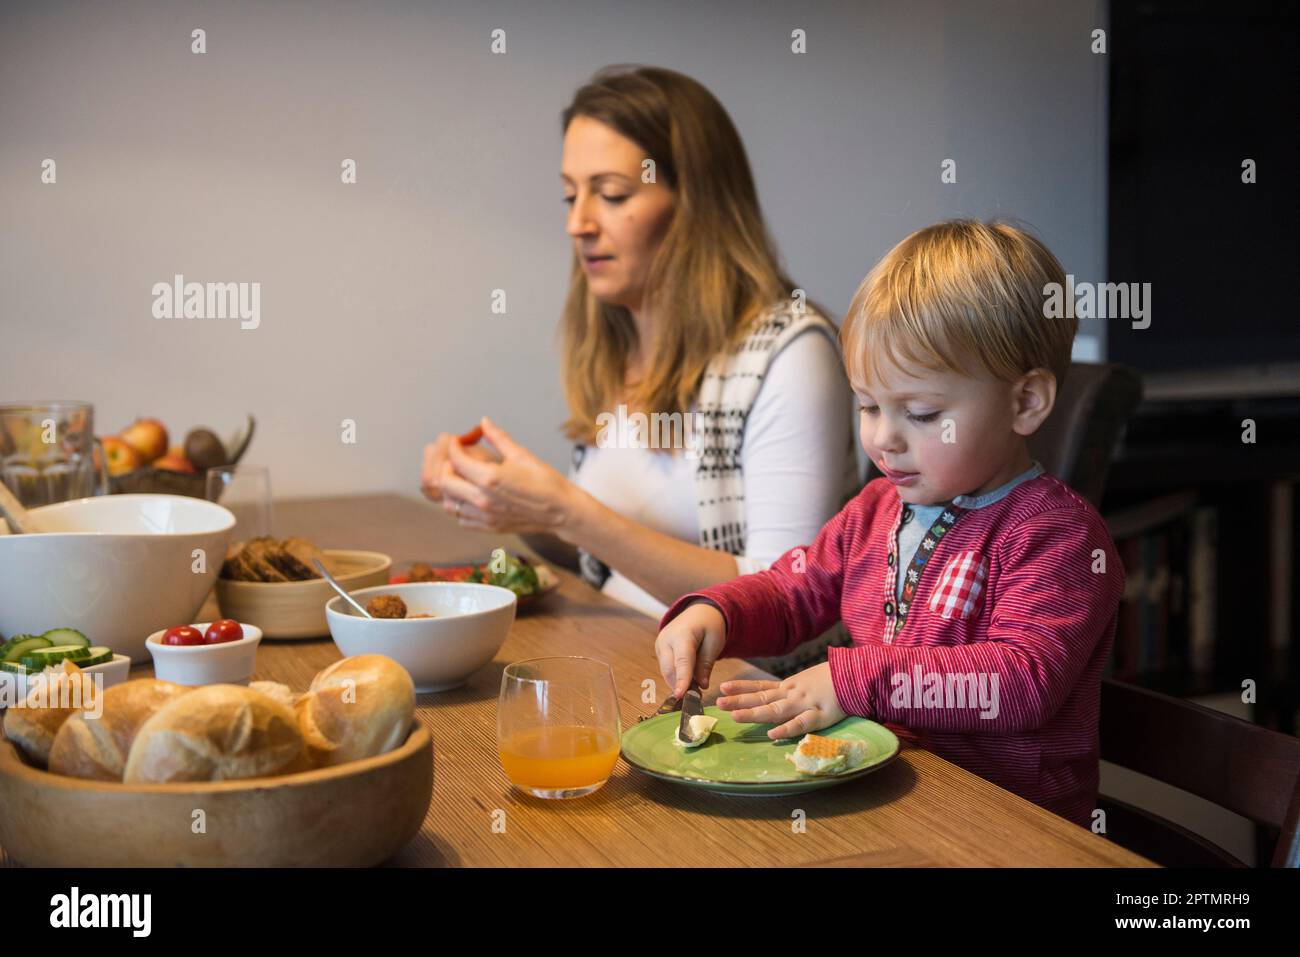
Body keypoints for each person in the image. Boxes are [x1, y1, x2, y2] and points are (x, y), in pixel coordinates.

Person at [654, 220, 1125, 826]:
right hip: (891, 800)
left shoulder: (1057, 537)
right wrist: (717, 613)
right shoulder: (874, 510)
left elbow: (1020, 682)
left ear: (1025, 402)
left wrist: (856, 680)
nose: (883, 438)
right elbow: (791, 592)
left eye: (922, 413)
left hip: (1011, 830)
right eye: (868, 406)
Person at [421, 66, 857, 628]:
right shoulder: (617, 341)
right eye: (570, 196)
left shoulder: (791, 355)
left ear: (696, 206)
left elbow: (789, 607)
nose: (578, 223)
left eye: (611, 194)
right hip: (626, 659)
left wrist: (566, 509)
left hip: (740, 699)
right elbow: (608, 560)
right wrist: (507, 500)